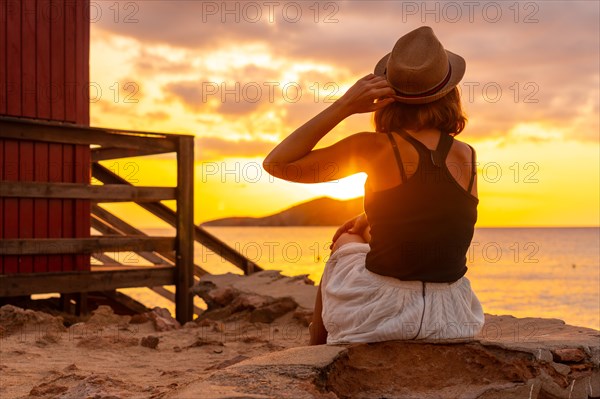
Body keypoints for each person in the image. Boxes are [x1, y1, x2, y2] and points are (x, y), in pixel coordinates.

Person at [263, 26, 485, 345]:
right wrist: (371, 219)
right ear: (449, 93)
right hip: (452, 316)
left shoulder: (376, 148)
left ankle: (315, 349)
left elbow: (277, 163)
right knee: (363, 231)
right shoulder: (466, 154)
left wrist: (344, 105)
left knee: (346, 240)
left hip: (385, 314)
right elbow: (441, 213)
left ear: (387, 97)